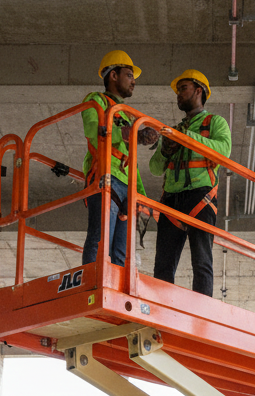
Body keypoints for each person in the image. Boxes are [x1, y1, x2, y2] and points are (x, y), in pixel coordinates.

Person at [149, 69, 232, 297]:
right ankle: (161, 311)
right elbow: (155, 168)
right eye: (177, 90)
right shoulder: (172, 131)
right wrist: (166, 149)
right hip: (171, 200)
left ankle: (202, 313)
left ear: (199, 91)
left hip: (200, 197)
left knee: (202, 261)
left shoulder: (215, 122)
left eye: (183, 88)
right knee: (163, 266)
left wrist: (186, 137)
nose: (178, 94)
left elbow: (223, 152)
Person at [80, 51, 157, 267]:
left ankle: (115, 296)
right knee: (100, 239)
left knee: (121, 251)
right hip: (105, 176)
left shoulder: (127, 114)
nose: (133, 82)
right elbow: (94, 132)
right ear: (113, 75)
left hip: (125, 184)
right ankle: (91, 284)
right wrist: (127, 134)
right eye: (129, 75)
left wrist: (140, 194)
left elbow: (131, 161)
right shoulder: (96, 101)